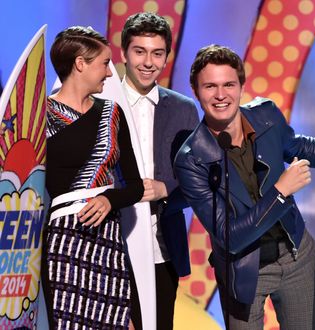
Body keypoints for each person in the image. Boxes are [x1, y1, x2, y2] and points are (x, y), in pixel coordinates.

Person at [174, 44, 315, 330]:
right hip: (243, 272)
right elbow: (229, 235)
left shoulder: (266, 114)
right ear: (196, 92)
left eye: (228, 84)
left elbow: (297, 146)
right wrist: (281, 193)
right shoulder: (191, 159)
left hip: (296, 257)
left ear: (241, 87)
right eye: (210, 86)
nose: (221, 95)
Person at [42, 26, 144, 329]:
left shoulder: (111, 113)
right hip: (63, 244)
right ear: (80, 64)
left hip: (108, 243)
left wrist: (109, 199)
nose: (110, 74)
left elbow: (136, 187)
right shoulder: (39, 117)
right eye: (104, 64)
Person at [120, 12, 199, 330]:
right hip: (106, 247)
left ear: (167, 56)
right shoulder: (100, 103)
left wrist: (168, 190)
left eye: (157, 53)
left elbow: (201, 180)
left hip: (161, 249)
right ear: (124, 52)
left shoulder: (183, 109)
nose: (148, 62)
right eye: (140, 51)